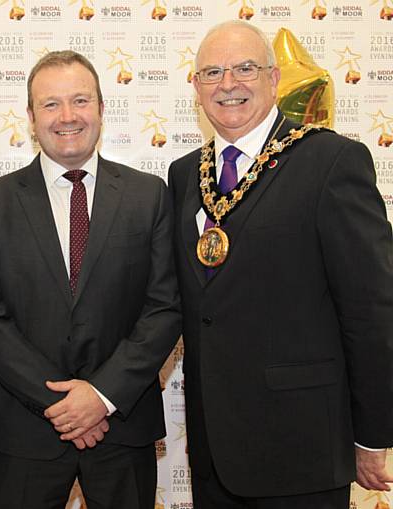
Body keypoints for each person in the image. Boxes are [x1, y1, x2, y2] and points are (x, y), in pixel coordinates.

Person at [168, 20, 393, 509]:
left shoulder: (331, 162)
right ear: (197, 88)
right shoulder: (185, 174)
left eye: (245, 68)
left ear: (273, 80)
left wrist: (373, 435)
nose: (228, 84)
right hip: (213, 450)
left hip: (302, 447)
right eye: (212, 72)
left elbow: (371, 310)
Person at [0, 50, 181, 508]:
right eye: (50, 104)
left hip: (122, 426)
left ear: (102, 109)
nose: (67, 116)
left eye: (80, 100)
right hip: (27, 432)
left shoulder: (150, 196)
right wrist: (64, 406)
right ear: (30, 117)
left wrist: (101, 397)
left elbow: (164, 308)